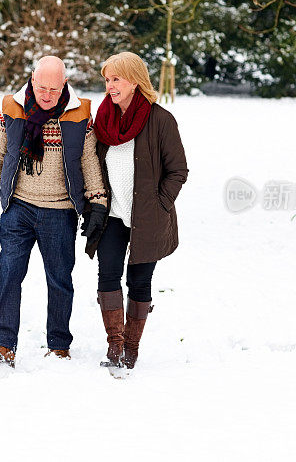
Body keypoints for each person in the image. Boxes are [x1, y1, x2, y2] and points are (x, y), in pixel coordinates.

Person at [0, 56, 107, 368]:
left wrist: (98, 203)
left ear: (64, 84)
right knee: (9, 273)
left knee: (60, 279)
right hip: (19, 207)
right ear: (31, 81)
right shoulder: (12, 108)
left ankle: (59, 345)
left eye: (54, 88)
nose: (47, 94)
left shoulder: (79, 114)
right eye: (41, 87)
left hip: (60, 211)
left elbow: (88, 161)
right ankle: (2, 344)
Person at [81, 51, 188, 370]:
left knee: (139, 283)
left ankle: (132, 347)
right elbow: (93, 164)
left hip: (148, 218)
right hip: (112, 214)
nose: (110, 86)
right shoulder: (103, 119)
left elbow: (178, 170)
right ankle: (114, 345)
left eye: (116, 79)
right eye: (107, 80)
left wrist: (160, 204)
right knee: (107, 275)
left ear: (134, 81)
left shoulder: (160, 119)